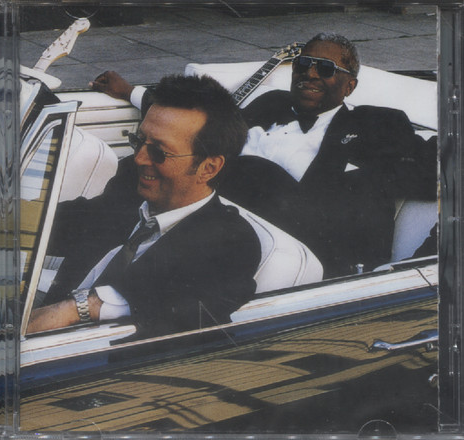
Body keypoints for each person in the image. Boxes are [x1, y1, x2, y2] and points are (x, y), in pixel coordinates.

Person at [90, 32, 436, 278]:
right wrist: (131, 92)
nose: (310, 74)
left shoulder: (377, 123)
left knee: (250, 171)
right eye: (303, 64)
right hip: (205, 213)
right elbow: (205, 127)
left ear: (350, 86)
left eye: (325, 69)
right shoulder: (270, 103)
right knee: (143, 160)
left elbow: (435, 169)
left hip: (292, 241)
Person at [27, 74, 261, 338]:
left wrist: (77, 308)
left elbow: (185, 308)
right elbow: (68, 221)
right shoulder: (132, 188)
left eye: (159, 152)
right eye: (139, 141)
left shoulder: (232, 242)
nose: (139, 158)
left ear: (209, 167)